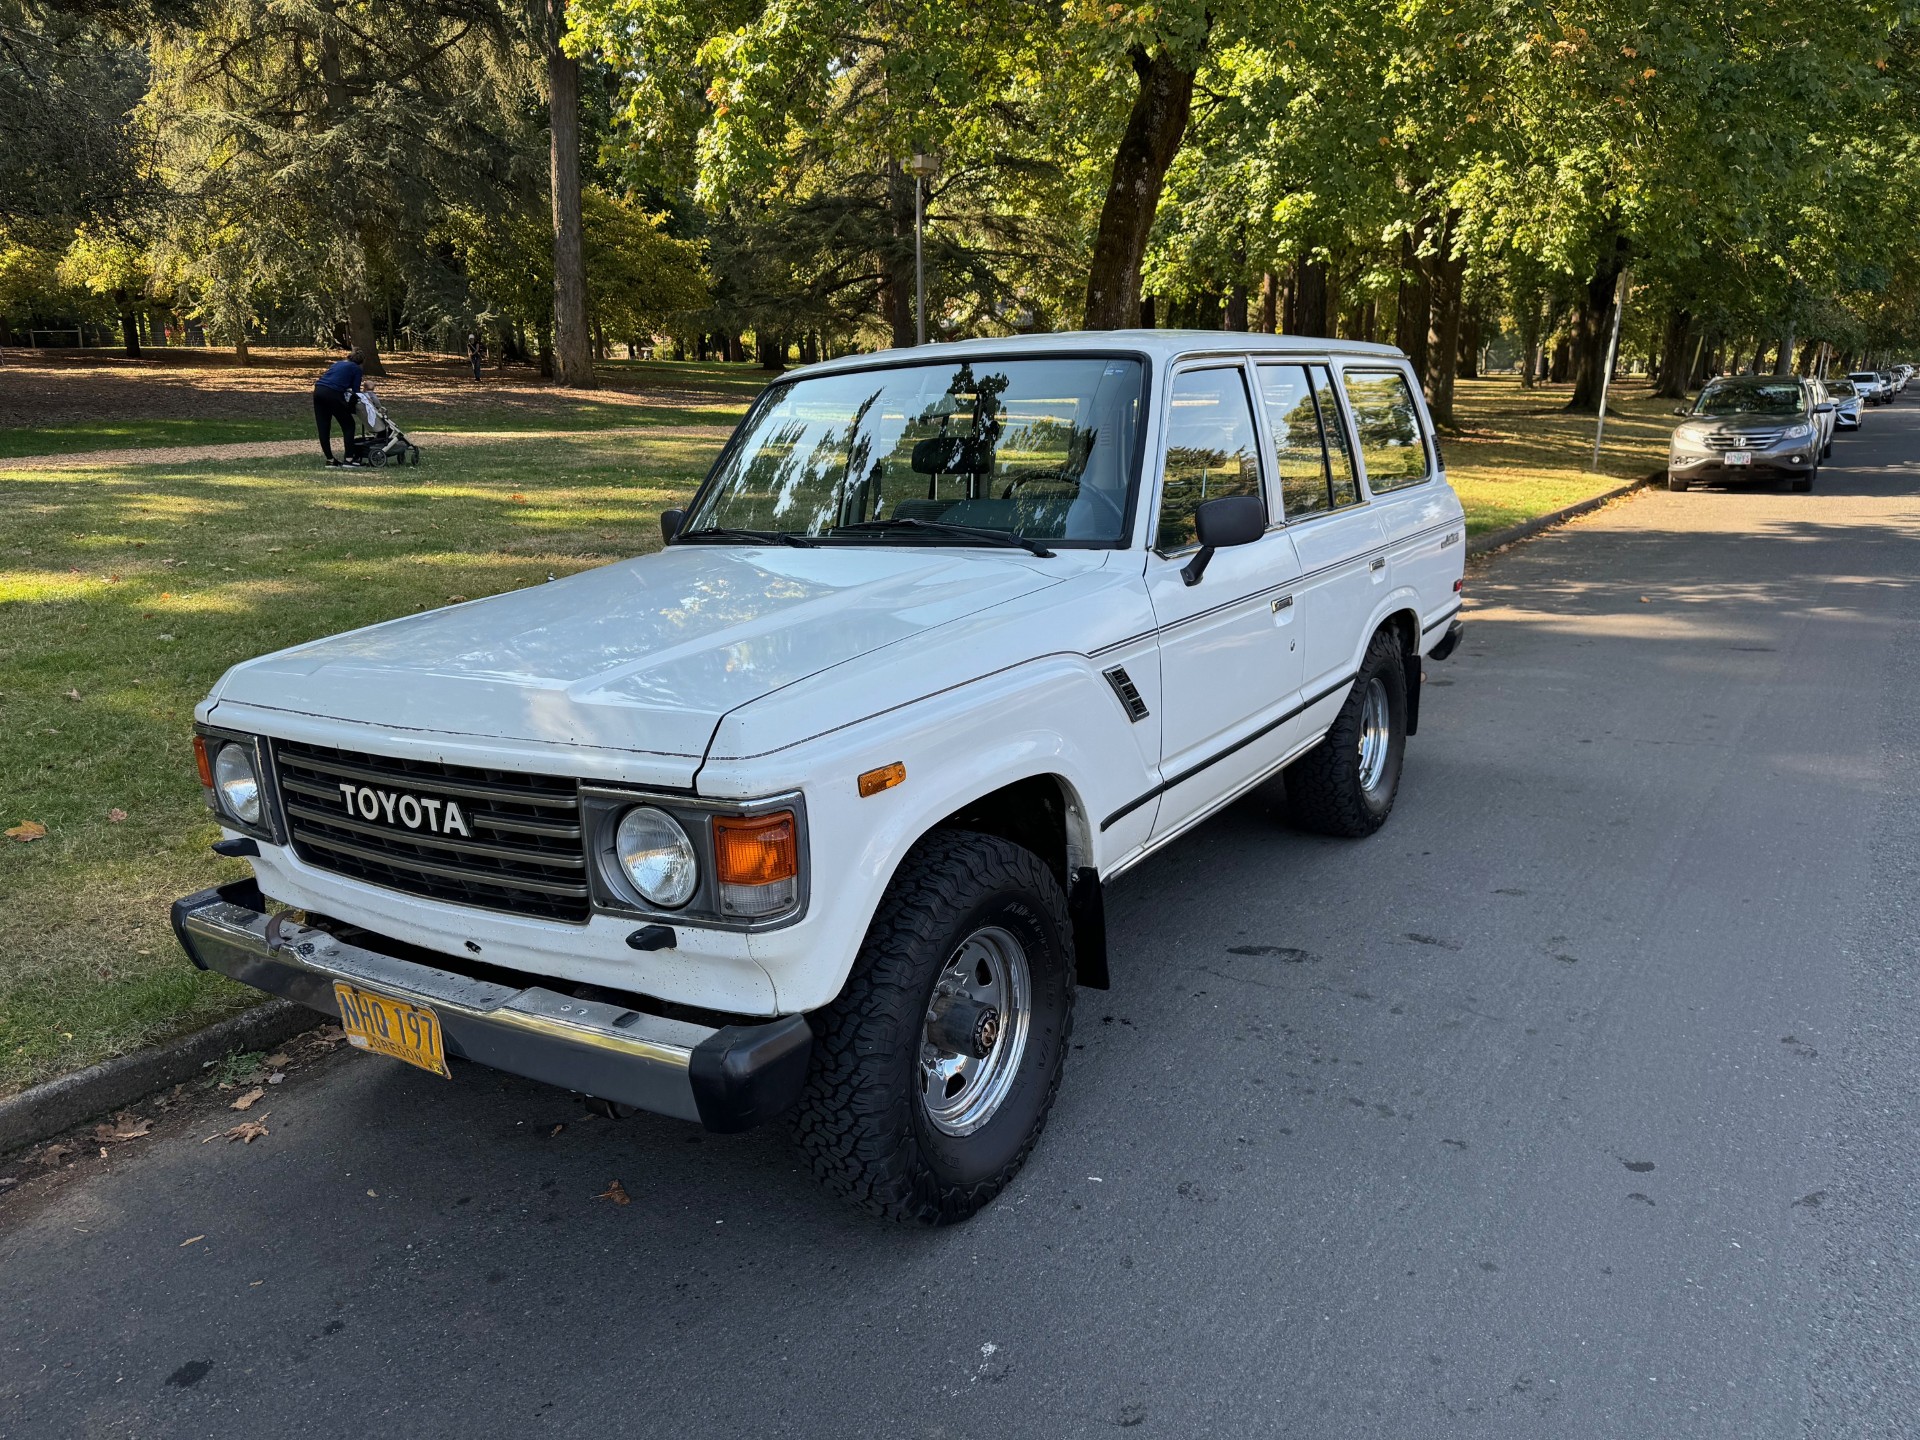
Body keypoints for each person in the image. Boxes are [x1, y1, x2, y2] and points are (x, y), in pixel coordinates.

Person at [314, 349, 364, 466]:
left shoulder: (336, 364)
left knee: (323, 426)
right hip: (333, 393)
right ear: (361, 362)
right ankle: (349, 459)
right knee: (348, 425)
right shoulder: (356, 369)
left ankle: (330, 459)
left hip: (319, 390)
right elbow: (355, 391)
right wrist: (351, 408)